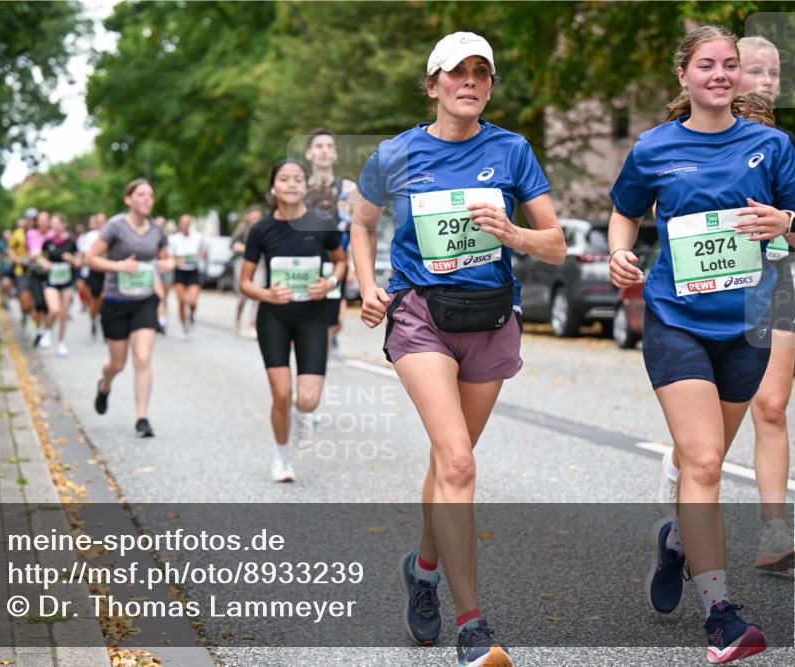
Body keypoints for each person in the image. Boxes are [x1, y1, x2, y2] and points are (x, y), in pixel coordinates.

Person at [351, 32, 565, 666]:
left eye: (481, 72)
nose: (469, 81)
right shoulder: (395, 154)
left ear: (490, 86)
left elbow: (555, 244)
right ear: (432, 84)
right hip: (421, 315)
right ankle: (473, 625)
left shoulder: (512, 150)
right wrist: (367, 285)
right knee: (458, 461)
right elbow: (361, 222)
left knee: (452, 464)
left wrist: (513, 234)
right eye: (456, 72)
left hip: (490, 316)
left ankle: (422, 570)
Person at [608, 25, 795, 664]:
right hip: (676, 321)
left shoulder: (771, 145)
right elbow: (625, 210)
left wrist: (785, 222)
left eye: (729, 64)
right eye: (706, 64)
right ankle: (720, 618)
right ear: (684, 75)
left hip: (750, 323)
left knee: (709, 460)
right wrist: (619, 251)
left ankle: (676, 542)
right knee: (701, 463)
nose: (720, 74)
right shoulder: (654, 147)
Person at [239, 159, 346, 484]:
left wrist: (330, 283)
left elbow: (341, 262)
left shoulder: (322, 223)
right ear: (274, 187)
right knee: (282, 394)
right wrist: (266, 295)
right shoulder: (261, 230)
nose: (292, 184)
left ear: (306, 186)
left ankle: (303, 414)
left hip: (313, 316)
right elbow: (244, 282)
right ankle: (282, 458)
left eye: (298, 178)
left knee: (308, 401)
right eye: (284, 179)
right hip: (274, 316)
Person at [86, 179, 175, 438]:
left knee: (143, 357)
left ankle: (142, 418)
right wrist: (118, 266)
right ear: (129, 199)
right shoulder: (116, 226)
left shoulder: (157, 230)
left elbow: (168, 257)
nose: (147, 199)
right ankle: (105, 384)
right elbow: (90, 258)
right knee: (117, 363)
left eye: (150, 195)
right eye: (141, 194)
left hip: (145, 300)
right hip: (116, 301)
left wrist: (168, 264)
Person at [305, 128, 357, 355]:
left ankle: (326, 341)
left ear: (335, 153)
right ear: (309, 153)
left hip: (338, 259)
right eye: (319, 146)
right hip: (307, 257)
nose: (325, 151)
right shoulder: (300, 187)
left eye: (329, 146)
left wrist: (353, 263)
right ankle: (313, 349)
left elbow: (356, 228)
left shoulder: (348, 189)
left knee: (336, 319)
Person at [38, 214, 80, 356]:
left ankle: (61, 343)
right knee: (54, 309)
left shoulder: (71, 242)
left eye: (57, 223)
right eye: (53, 223)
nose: (54, 226)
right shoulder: (48, 242)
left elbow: (79, 262)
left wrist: (71, 258)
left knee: (63, 314)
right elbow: (40, 257)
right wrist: (45, 264)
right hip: (51, 281)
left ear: (64, 224)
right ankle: (47, 331)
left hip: (66, 281)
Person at [169, 214, 207, 340]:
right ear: (179, 224)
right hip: (179, 272)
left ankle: (191, 315)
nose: (185, 225)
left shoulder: (198, 237)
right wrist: (176, 260)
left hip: (193, 271)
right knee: (181, 301)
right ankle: (184, 326)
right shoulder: (173, 239)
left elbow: (204, 252)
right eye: (183, 223)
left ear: (190, 224)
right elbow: (169, 256)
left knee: (192, 301)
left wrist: (201, 255)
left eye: (187, 223)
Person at [231, 205, 264, 337]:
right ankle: (238, 318)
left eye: (258, 217)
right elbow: (232, 244)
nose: (256, 219)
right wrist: (244, 248)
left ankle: (253, 324)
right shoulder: (243, 228)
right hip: (244, 261)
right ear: (248, 216)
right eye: (254, 216)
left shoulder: (264, 227)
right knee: (243, 294)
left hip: (260, 263)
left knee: (257, 292)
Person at [77, 213, 107, 338]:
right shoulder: (90, 236)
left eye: (103, 221)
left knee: (106, 299)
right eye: (99, 221)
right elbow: (85, 254)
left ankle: (106, 323)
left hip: (109, 271)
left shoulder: (112, 234)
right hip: (94, 271)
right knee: (95, 300)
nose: (101, 224)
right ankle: (94, 319)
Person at [27, 211, 53, 347]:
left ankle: (47, 330)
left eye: (45, 219)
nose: (42, 222)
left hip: (50, 273)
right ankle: (40, 327)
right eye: (40, 220)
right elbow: (32, 252)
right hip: (36, 271)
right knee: (38, 303)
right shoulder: (31, 234)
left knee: (48, 305)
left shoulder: (52, 235)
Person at [9, 212, 36, 329]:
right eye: (29, 219)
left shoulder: (38, 233)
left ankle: (36, 324)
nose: (31, 222)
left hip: (36, 270)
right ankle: (25, 313)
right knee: (24, 298)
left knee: (35, 299)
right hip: (22, 270)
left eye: (33, 219)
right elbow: (10, 249)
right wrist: (16, 259)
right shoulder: (18, 233)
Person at [154, 215, 173, 334]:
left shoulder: (166, 238)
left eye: (162, 224)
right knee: (159, 296)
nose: (160, 226)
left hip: (164, 269)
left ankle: (162, 319)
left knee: (164, 297)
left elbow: (167, 255)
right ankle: (160, 321)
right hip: (154, 269)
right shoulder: (149, 236)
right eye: (158, 224)